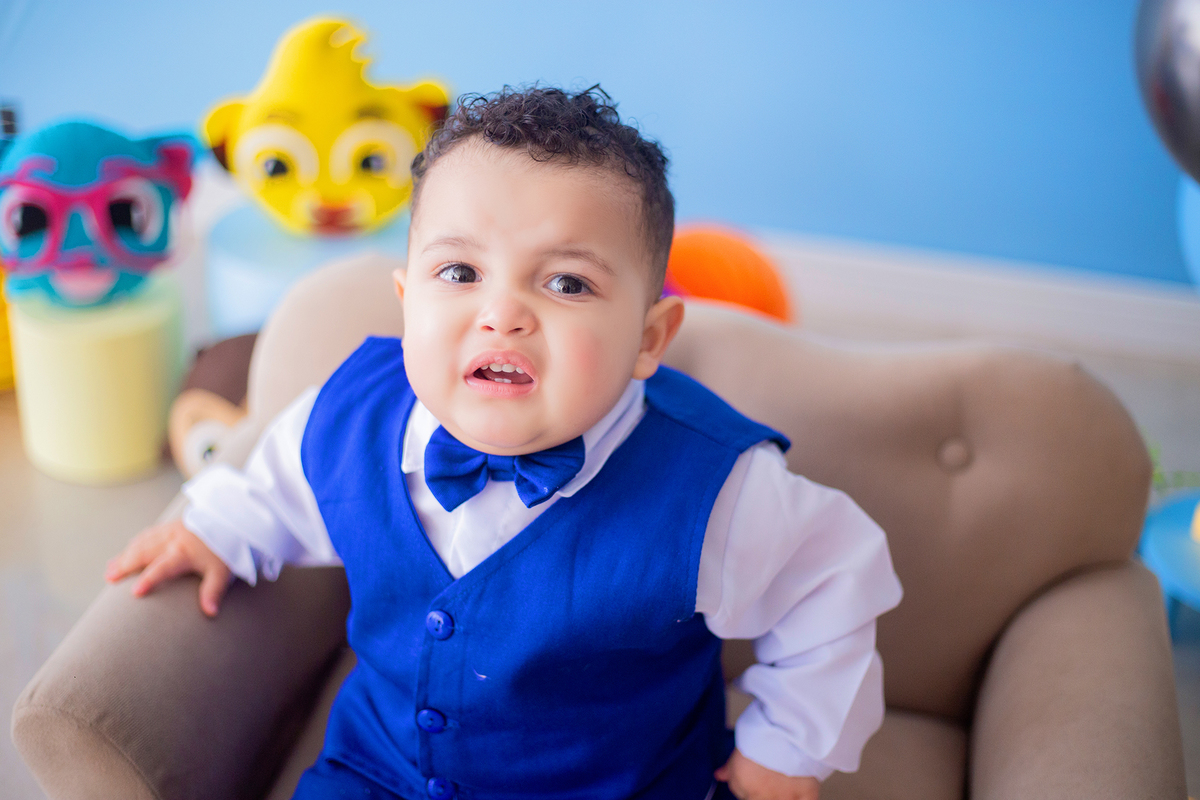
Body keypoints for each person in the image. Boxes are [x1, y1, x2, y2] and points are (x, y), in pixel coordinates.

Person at [106, 86, 902, 800]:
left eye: (566, 283)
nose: (503, 314)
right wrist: (213, 529)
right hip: (379, 771)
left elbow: (834, 575)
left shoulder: (712, 489)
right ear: (407, 300)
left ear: (647, 339)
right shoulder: (348, 416)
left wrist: (789, 745)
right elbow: (275, 487)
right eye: (459, 273)